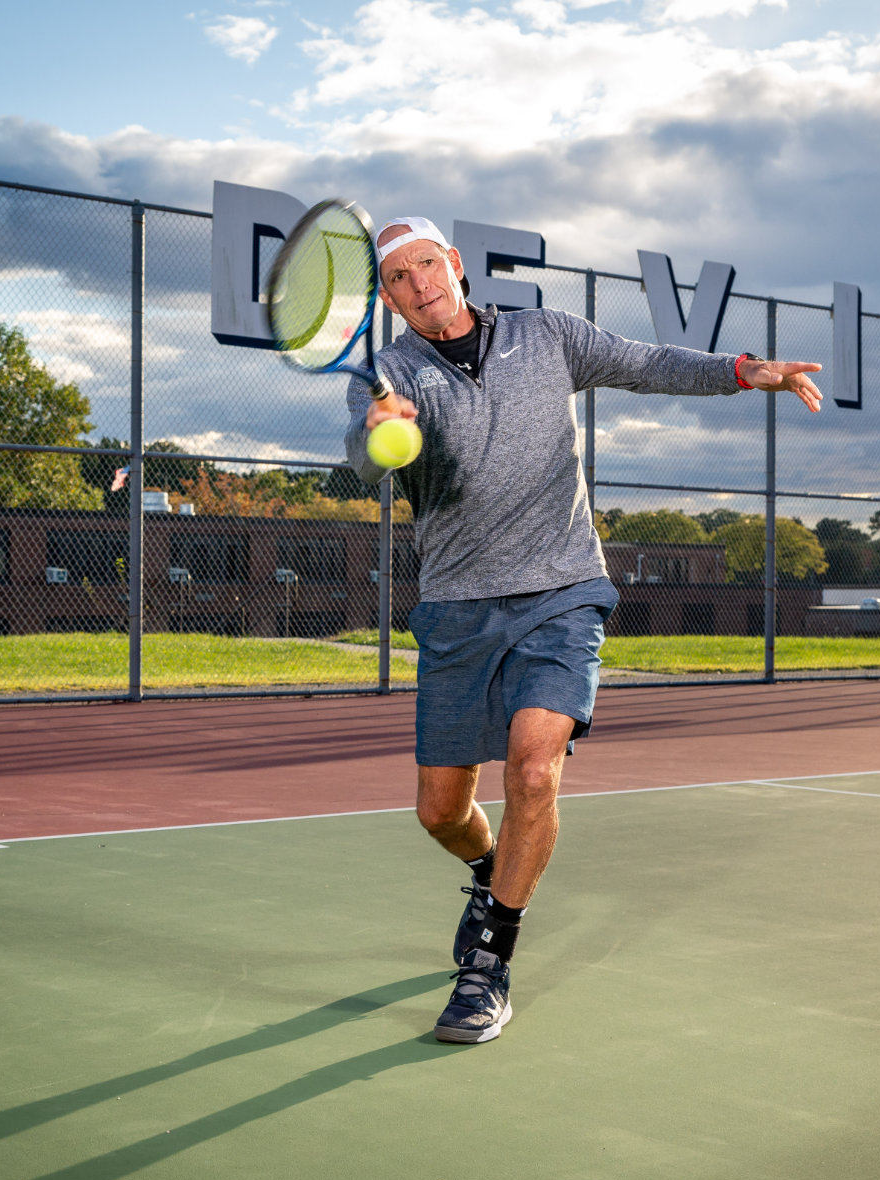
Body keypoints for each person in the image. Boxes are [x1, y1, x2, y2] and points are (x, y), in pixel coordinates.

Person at [346, 216, 822, 1044]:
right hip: (458, 607)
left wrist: (748, 372)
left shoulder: (548, 336)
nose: (418, 284)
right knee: (439, 810)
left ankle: (488, 962)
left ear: (454, 266)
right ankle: (489, 872)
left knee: (534, 771)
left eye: (427, 264)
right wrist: (386, 432)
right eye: (398, 277)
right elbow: (364, 459)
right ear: (387, 297)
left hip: (562, 591)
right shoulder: (387, 373)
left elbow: (649, 363)